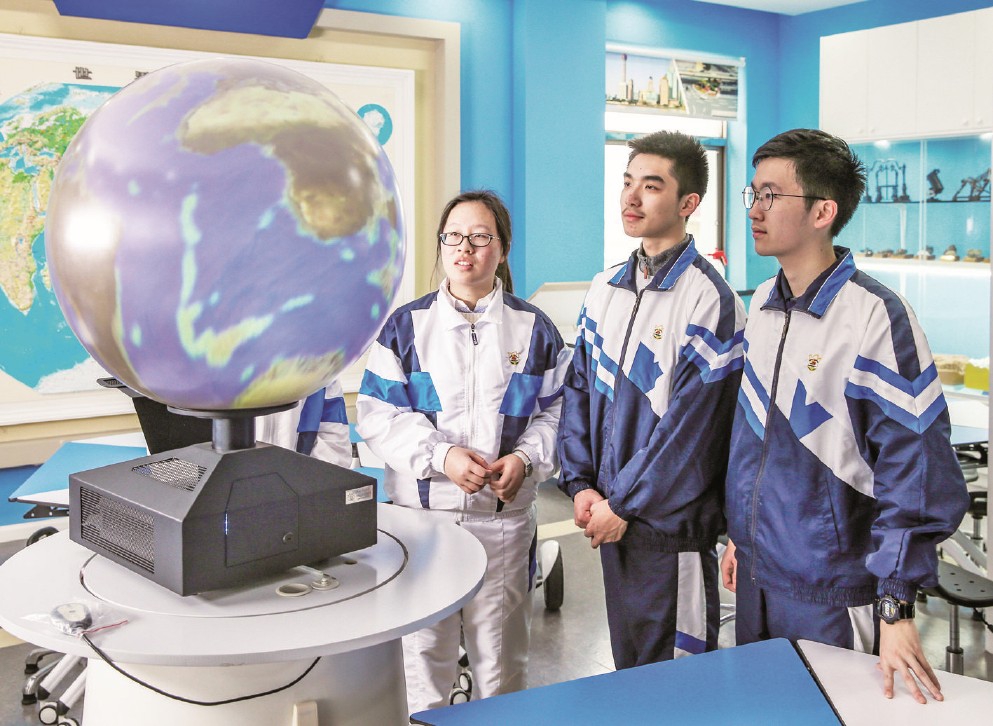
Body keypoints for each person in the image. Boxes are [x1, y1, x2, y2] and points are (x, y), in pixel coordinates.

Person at [720, 128, 970, 704]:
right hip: (759, 579)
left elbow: (916, 469)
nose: (754, 209)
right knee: (761, 710)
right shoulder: (764, 308)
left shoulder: (876, 317)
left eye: (771, 195)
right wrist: (741, 535)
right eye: (753, 193)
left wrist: (896, 601)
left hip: (833, 591)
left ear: (822, 211)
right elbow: (754, 443)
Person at [356, 190, 571, 713]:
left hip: (503, 525)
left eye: (479, 237)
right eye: (453, 236)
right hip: (422, 522)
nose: (464, 248)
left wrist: (525, 459)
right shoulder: (406, 328)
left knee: (501, 664)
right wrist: (441, 456)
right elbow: (377, 415)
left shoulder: (534, 330)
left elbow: (560, 415)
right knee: (424, 660)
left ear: (502, 249)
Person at [557, 130, 746, 669]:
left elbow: (693, 434)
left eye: (652, 186)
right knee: (630, 672)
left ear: (689, 203)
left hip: (669, 533)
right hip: (611, 518)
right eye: (627, 182)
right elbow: (579, 390)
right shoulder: (605, 288)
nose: (631, 197)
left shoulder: (710, 301)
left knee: (676, 685)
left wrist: (626, 505)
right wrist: (581, 483)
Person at [256, 380, 351, 467]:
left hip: (300, 474)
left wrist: (302, 474)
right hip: (250, 471)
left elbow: (335, 448)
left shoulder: (323, 373)